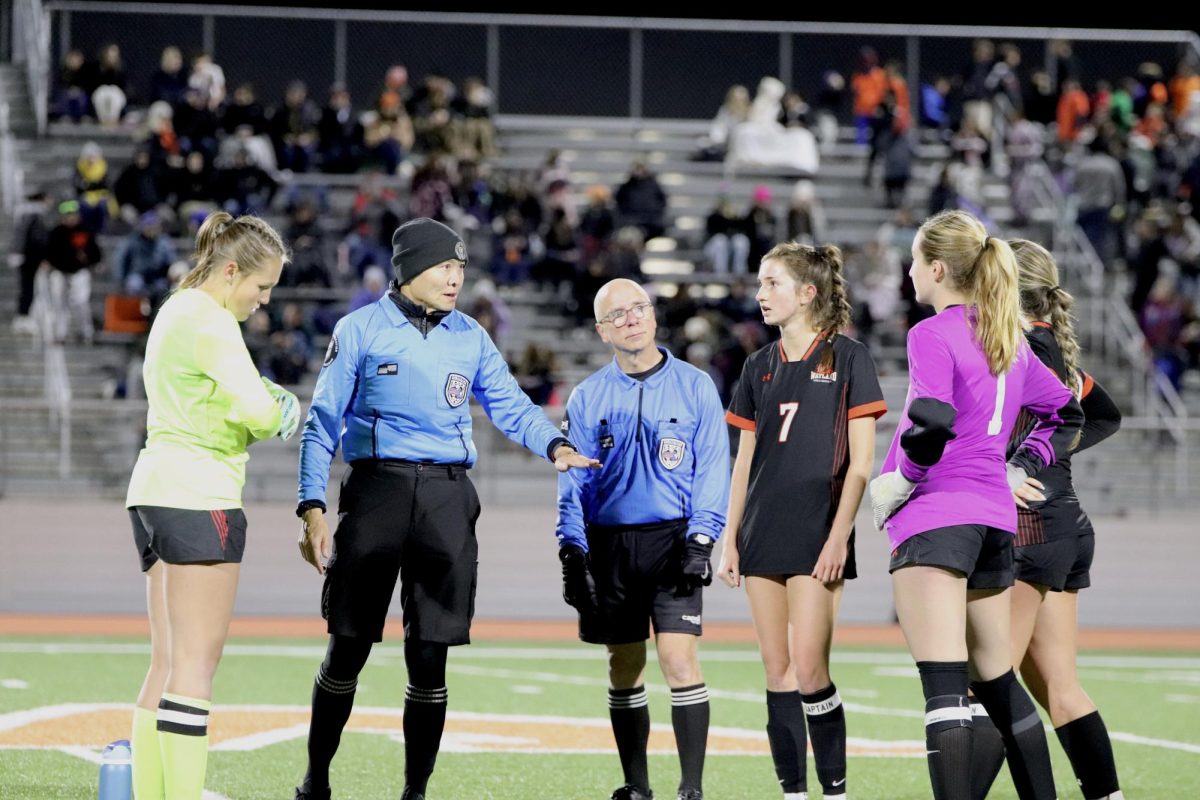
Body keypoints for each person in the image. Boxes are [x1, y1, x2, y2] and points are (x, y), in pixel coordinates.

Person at [293, 218, 600, 800]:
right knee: (348, 647)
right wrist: (311, 506)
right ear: (408, 269)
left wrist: (555, 445)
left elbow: (511, 404)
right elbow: (322, 422)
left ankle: (415, 793)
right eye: (444, 267)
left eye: (461, 267)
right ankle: (318, 781)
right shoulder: (359, 329)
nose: (456, 278)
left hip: (447, 497)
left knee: (430, 657)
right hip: (376, 492)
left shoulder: (471, 335)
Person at [868, 210, 1083, 800]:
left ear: (937, 268)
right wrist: (1022, 464)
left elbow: (931, 419)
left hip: (938, 514)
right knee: (998, 683)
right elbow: (1067, 410)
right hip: (994, 519)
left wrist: (903, 480)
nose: (910, 271)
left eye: (914, 261)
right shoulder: (1006, 337)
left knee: (944, 687)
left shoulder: (930, 332)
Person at [125, 211, 298, 800]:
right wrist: (285, 410)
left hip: (152, 491)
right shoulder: (214, 321)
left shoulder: (175, 308)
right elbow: (256, 409)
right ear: (230, 270)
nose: (264, 300)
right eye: (261, 286)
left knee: (165, 663)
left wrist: (256, 404)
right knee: (195, 670)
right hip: (201, 496)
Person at [717, 242, 886, 800]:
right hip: (761, 530)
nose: (760, 294)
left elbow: (862, 464)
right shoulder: (757, 365)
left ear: (807, 293)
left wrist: (840, 536)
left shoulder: (849, 357)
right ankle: (793, 791)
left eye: (772, 284)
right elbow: (743, 461)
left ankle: (833, 789)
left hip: (819, 532)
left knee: (812, 670)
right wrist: (730, 538)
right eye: (761, 284)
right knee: (776, 670)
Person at [556, 279, 731, 800]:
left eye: (639, 308)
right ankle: (636, 787)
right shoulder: (588, 396)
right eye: (618, 314)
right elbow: (573, 478)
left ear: (653, 317)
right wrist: (571, 549)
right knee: (623, 664)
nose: (632, 319)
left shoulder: (697, 385)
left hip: (675, 541)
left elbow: (713, 469)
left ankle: (691, 789)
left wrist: (703, 539)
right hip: (608, 544)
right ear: (601, 330)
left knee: (679, 661)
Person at [970, 239, 1124, 800]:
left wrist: (1019, 465)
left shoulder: (1015, 349)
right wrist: (1046, 461)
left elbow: (1085, 418)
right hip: (1063, 524)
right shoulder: (1052, 349)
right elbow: (1101, 414)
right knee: (1058, 688)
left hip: (1027, 529)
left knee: (988, 687)